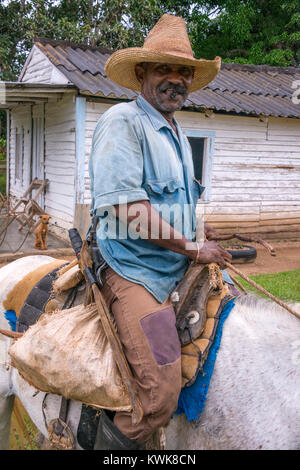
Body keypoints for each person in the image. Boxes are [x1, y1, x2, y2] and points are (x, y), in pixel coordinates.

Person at [89, 14, 232, 450]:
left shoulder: (172, 128)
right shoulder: (123, 122)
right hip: (135, 270)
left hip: (174, 261)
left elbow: (167, 201)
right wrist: (192, 247)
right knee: (160, 392)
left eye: (183, 72)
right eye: (164, 70)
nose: (176, 80)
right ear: (141, 74)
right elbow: (124, 210)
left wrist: (194, 225)